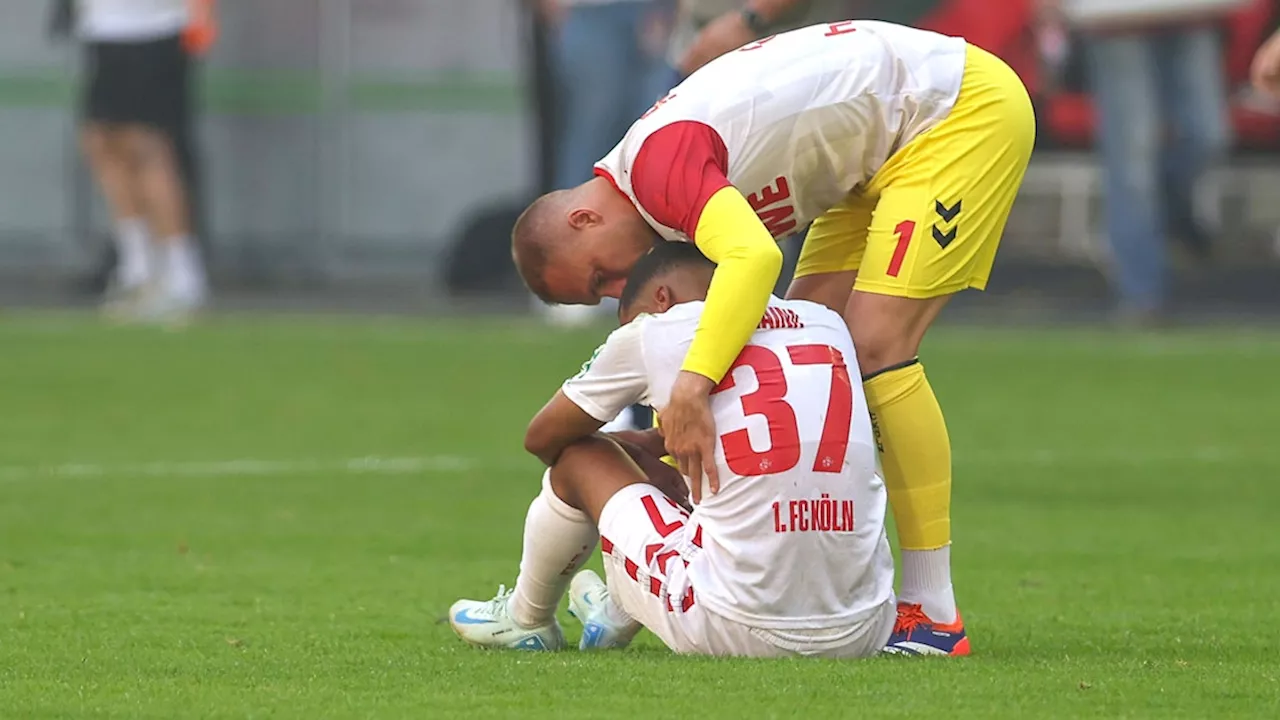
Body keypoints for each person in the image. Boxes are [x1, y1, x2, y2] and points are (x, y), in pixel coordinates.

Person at [510, 20, 1035, 655]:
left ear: (584, 217)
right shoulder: (653, 177)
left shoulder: (655, 171)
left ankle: (931, 610)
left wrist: (692, 386)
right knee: (802, 352)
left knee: (870, 347)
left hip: (954, 113)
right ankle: (668, 578)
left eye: (599, 274)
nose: (619, 290)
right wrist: (675, 442)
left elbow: (756, 260)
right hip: (878, 153)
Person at [450, 243, 897, 657]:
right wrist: (650, 449)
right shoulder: (824, 322)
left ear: (661, 298)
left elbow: (543, 438)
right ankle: (616, 609)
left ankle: (526, 618)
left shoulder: (656, 331)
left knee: (579, 455)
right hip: (867, 623)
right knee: (717, 490)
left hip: (735, 624)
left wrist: (626, 456)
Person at [1036, 0, 1242, 323]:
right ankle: (1142, 294)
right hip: (1110, 16)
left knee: (1207, 135)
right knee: (1132, 153)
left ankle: (1162, 220)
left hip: (1192, 12)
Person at [76, 0, 214, 321]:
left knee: (148, 147)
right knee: (102, 141)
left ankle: (183, 275)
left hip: (152, 31)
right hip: (106, 30)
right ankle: (138, 268)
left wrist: (200, 21)